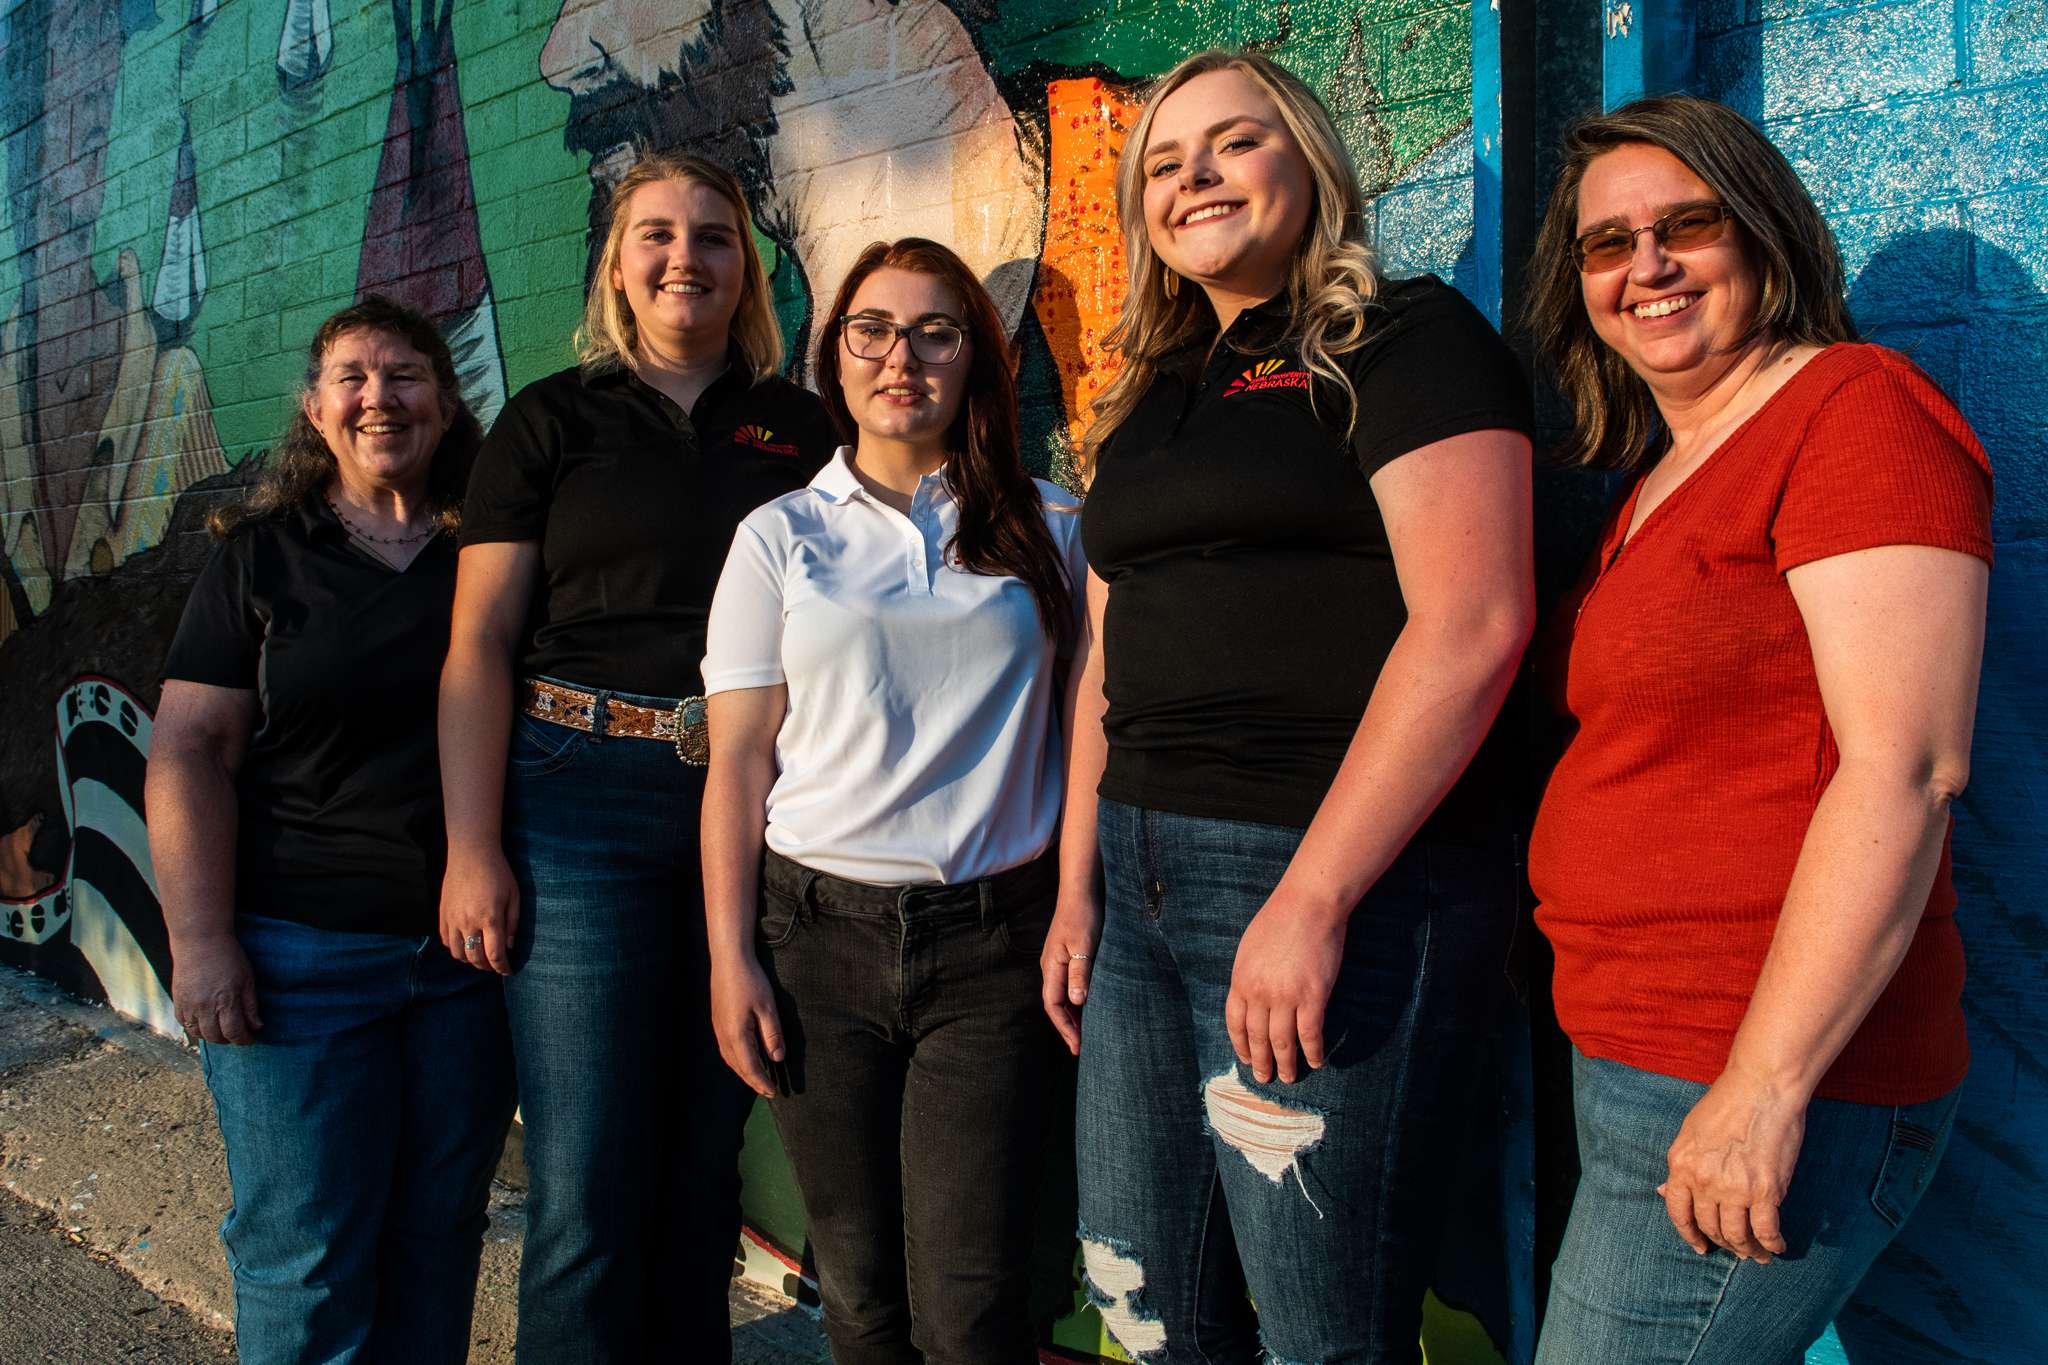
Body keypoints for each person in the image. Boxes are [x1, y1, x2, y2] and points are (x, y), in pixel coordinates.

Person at [1045, 49, 1535, 1364]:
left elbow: (1476, 623)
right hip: (1140, 884)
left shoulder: (1405, 337)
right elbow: (1108, 658)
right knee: (1144, 1305)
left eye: (1233, 143)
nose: (1193, 176)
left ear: (1309, 162)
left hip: (1329, 874)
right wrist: (1080, 887)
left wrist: (1314, 899)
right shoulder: (1147, 391)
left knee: (1326, 1330)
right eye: (1164, 160)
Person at [1522, 95, 1992, 1364]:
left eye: (1687, 224)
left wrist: (1763, 1090)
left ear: (1767, 237)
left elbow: (1904, 769)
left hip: (1765, 1066)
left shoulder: (1855, 411)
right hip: (1642, 1050)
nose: (1646, 267)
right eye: (1606, 245)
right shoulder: (1663, 471)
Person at [436, 153, 835, 1363]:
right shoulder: (550, 419)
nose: (683, 258)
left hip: (755, 801)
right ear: (617, 261)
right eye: (655, 234)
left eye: (712, 236)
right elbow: (478, 645)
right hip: (577, 803)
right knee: (587, 1185)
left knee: (701, 1168)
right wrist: (470, 846)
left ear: (746, 265)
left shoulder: (801, 426)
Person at [700, 236, 1085, 1364]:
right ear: (836, 356)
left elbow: (1090, 736)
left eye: (934, 331)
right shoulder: (779, 536)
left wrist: (1077, 900)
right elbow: (737, 766)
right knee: (860, 1297)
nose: (900, 356)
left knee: (971, 1308)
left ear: (976, 357)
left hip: (992, 946)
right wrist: (730, 957)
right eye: (871, 330)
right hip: (813, 940)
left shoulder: (1053, 528)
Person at [148, 296, 510, 1365]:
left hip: (468, 968)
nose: (378, 397)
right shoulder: (262, 558)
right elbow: (187, 752)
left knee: (438, 1236)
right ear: (314, 409)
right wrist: (201, 942)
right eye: (351, 377)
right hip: (296, 957)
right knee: (304, 1258)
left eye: (404, 375)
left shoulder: (492, 555)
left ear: (446, 404)